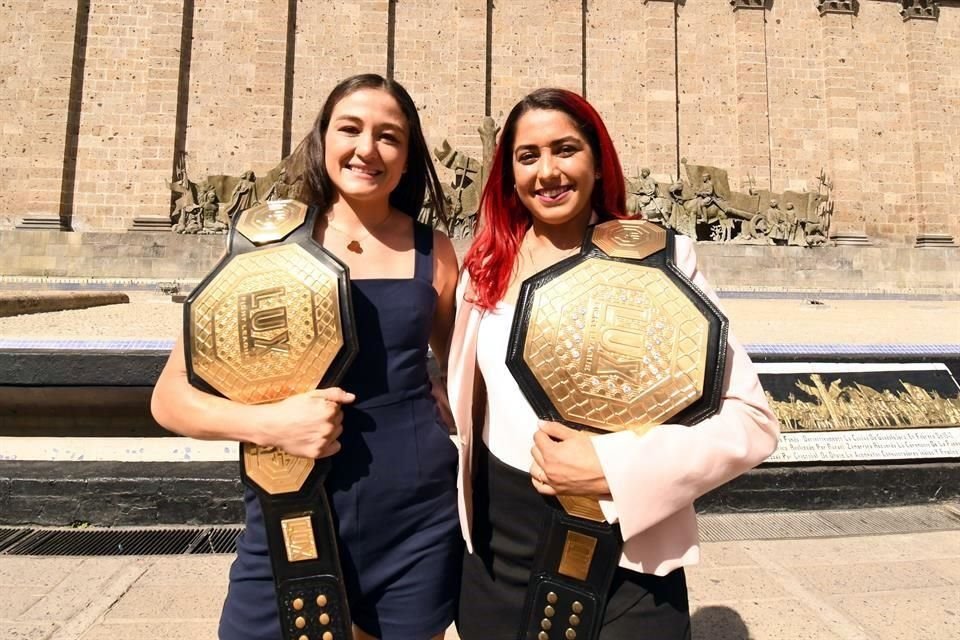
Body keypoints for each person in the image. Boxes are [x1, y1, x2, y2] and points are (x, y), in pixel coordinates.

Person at [446, 88, 780, 639]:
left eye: (566, 150)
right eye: (528, 156)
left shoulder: (660, 261)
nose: (547, 171)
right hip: (497, 561)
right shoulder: (484, 271)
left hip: (624, 566)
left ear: (598, 162)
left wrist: (614, 466)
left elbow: (752, 421)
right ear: (508, 173)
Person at [151, 73, 461, 640]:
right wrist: (268, 422)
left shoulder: (434, 251)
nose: (368, 149)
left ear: (408, 153)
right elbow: (170, 400)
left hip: (416, 517)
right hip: (290, 505)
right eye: (351, 129)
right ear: (323, 139)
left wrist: (445, 387)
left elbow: (463, 364)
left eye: (389, 136)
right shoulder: (264, 248)